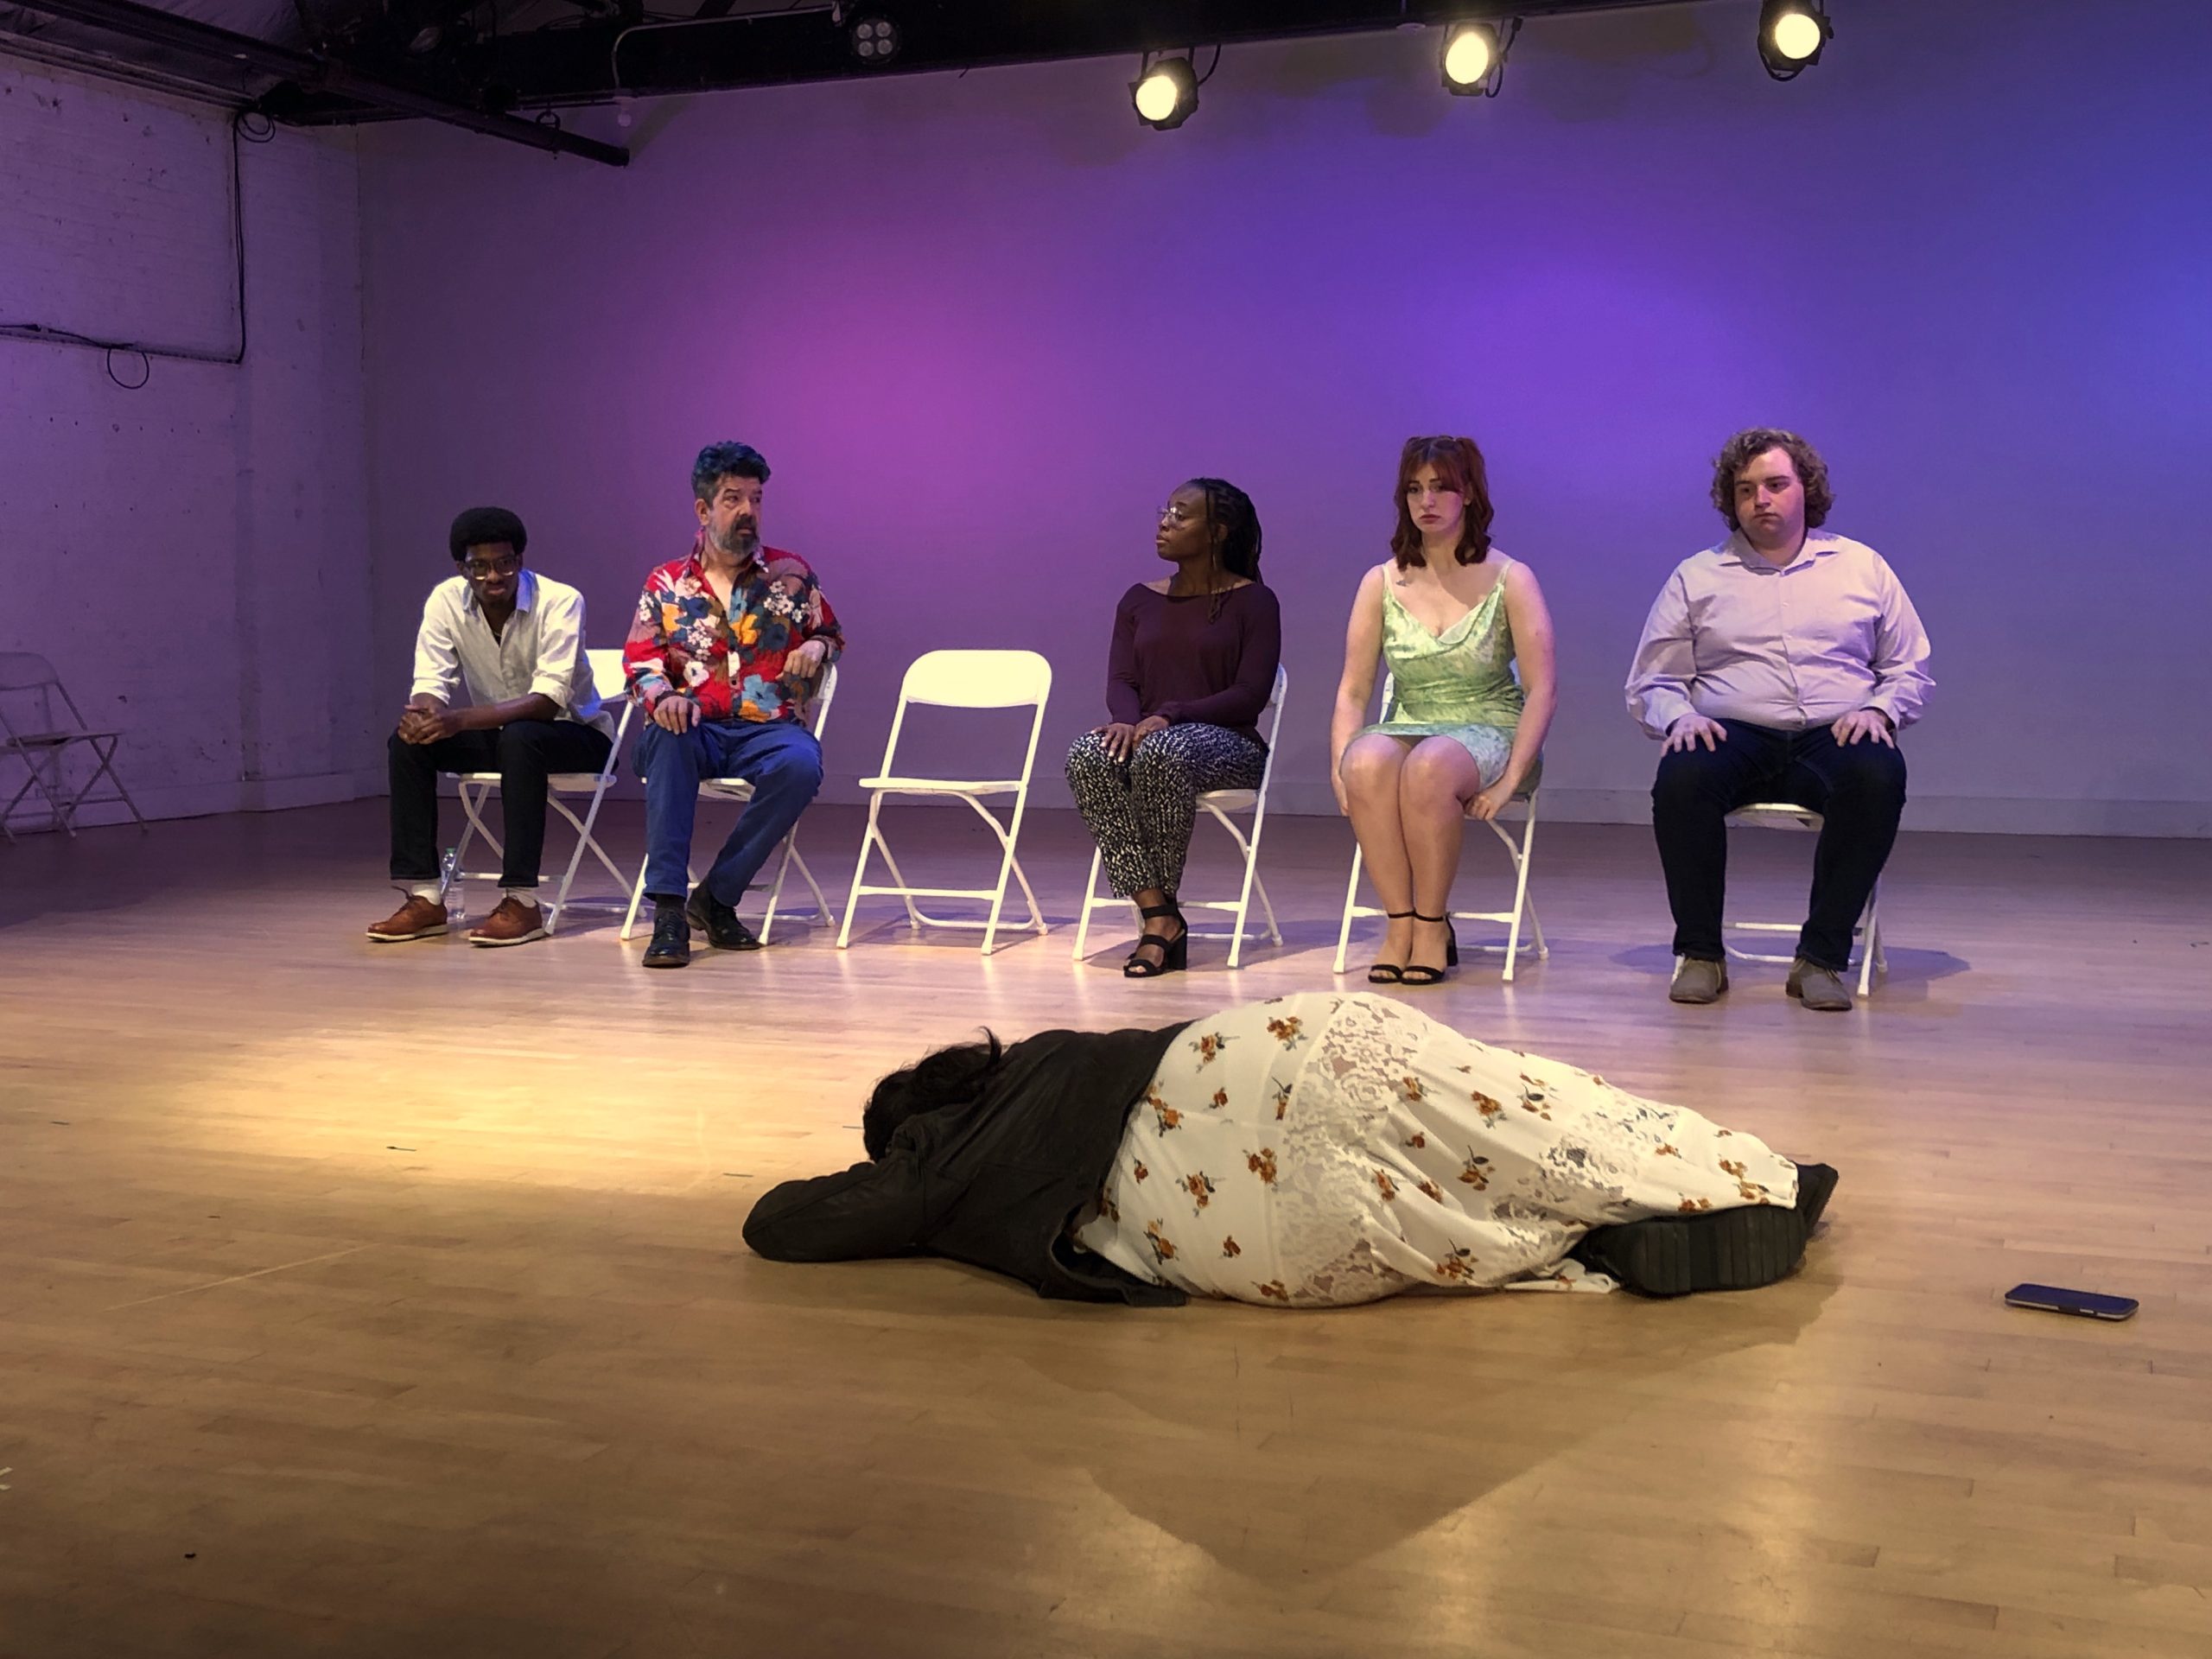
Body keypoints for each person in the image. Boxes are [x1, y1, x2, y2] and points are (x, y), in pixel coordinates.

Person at [743, 990, 1838, 1306]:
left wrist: (895, 1170)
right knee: (1536, 1107)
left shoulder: (935, 1164)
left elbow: (777, 1225)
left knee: (1443, 1211)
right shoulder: (1048, 1050)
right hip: (1279, 1042)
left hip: (1246, 1218)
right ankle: (1748, 1175)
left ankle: (1586, 1247)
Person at [1626, 428, 1933, 1011]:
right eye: (1745, 490)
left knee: (1878, 774)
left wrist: (1879, 709)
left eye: (1774, 485)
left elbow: (1909, 666)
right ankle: (1699, 954)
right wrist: (1677, 719)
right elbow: (1654, 678)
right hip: (1732, 732)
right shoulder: (1698, 575)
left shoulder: (1861, 566)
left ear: (1805, 490)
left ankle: (1819, 958)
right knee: (1682, 775)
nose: (1760, 499)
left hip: (1833, 732)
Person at [1329, 436, 1557, 985]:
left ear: (1470, 494)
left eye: (1440, 488)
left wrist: (1510, 783)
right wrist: (1341, 766)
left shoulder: (1511, 578)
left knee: (1429, 765)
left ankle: (1432, 925)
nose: (1425, 501)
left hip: (1490, 725)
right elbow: (1353, 691)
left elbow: (1543, 687)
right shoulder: (1380, 581)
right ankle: (1400, 923)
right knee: (1365, 762)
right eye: (1414, 489)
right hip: (1412, 719)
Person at [624, 442, 843, 969]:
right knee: (669, 744)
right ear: (704, 510)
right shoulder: (666, 583)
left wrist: (818, 645)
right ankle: (670, 909)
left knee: (800, 764)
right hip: (692, 725)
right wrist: (665, 697)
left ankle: (717, 897)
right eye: (732, 498)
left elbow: (831, 632)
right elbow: (641, 663)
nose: (747, 510)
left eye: (756, 498)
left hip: (766, 727)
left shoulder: (791, 575)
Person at [369, 507, 615, 948]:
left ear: (520, 560)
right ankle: (425, 896)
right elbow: (432, 679)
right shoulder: (445, 600)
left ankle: (522, 901)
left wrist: (456, 719)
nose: (492, 576)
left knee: (521, 737)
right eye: (478, 567)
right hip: (505, 738)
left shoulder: (560, 600)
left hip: (575, 735)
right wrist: (421, 715)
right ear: (461, 568)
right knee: (407, 744)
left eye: (503, 563)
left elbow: (546, 702)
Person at [1064, 479, 1281, 976]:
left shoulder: (1255, 602)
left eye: (1181, 515)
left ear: (1217, 533)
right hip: (1151, 739)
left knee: (1163, 750)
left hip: (1227, 744)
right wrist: (1126, 722)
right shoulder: (1139, 600)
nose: (1165, 522)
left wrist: (1169, 715)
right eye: (1165, 510)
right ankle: (1159, 915)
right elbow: (1121, 679)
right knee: (1087, 752)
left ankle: (1161, 920)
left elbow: (1249, 695)